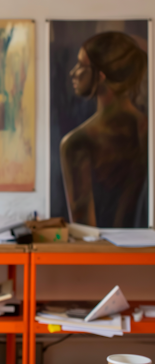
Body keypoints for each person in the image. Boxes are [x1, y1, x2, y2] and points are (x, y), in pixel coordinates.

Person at [60, 31, 148, 228]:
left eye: (81, 66)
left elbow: (85, 233)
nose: (73, 72)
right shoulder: (148, 130)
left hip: (101, 256)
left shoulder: (77, 143)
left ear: (101, 75)